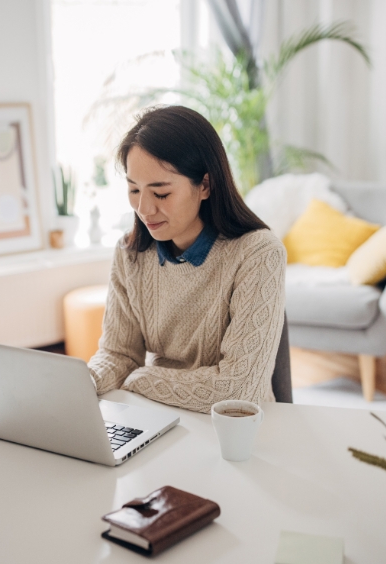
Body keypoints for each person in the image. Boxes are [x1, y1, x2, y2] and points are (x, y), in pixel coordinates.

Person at [87, 106, 286, 412]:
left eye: (161, 193)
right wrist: (86, 380)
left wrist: (141, 380)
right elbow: (119, 354)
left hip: (234, 429)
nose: (144, 209)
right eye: (133, 189)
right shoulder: (131, 254)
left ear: (205, 185)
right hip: (159, 413)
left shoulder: (258, 254)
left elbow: (239, 387)